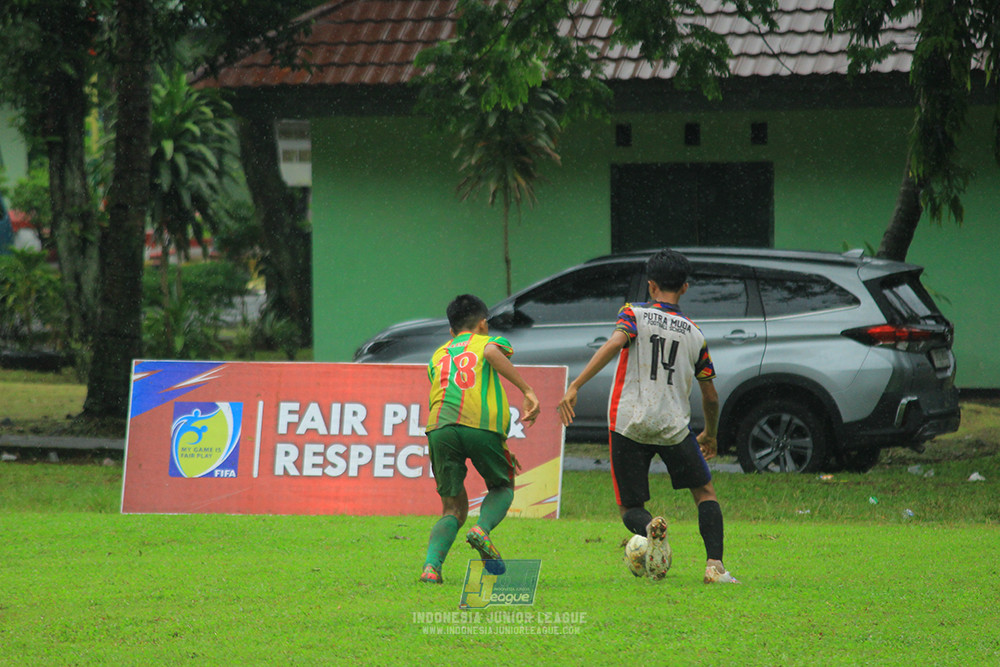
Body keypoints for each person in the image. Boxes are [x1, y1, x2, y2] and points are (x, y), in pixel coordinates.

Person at [557, 249, 738, 584]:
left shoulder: (633, 314)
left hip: (629, 423)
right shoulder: (695, 334)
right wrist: (710, 433)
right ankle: (715, 566)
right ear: (684, 287)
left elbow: (614, 344)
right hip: (673, 426)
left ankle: (649, 527)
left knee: (630, 507)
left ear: (651, 285)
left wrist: (576, 385)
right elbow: (710, 395)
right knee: (705, 493)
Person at [420, 294, 540, 584]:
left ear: (451, 331)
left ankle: (431, 568)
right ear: (483, 324)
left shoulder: (437, 356)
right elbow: (490, 355)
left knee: (452, 508)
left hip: (439, 427)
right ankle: (482, 530)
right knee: (502, 486)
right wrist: (527, 390)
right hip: (480, 425)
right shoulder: (489, 342)